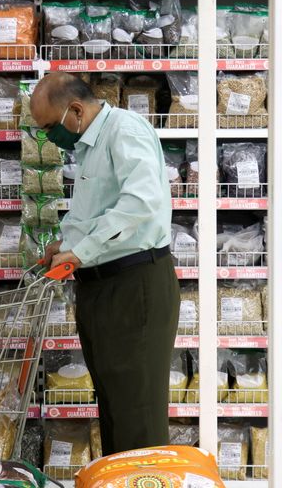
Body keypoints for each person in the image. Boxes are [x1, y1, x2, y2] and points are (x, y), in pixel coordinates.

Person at [31, 73, 179, 455]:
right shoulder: (87, 145)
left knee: (138, 414)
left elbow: (140, 202)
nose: (49, 136)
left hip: (135, 285)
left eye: (49, 126)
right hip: (101, 286)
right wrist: (66, 243)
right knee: (114, 408)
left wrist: (83, 250)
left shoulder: (124, 132)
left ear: (76, 109)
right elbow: (95, 211)